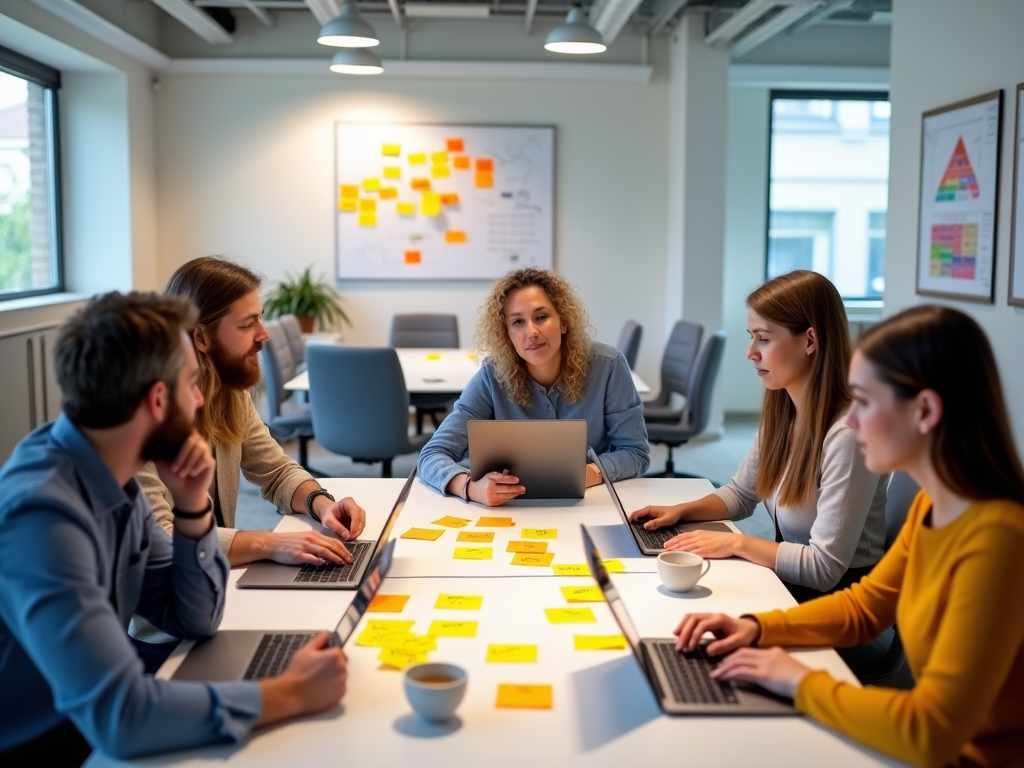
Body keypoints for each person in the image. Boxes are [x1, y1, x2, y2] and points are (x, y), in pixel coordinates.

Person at [0, 292, 347, 765]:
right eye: (191, 383)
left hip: (88, 727)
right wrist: (287, 694)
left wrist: (191, 509)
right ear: (158, 400)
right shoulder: (43, 516)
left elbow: (191, 618)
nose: (203, 398)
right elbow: (121, 717)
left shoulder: (113, 475)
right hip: (47, 745)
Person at [673, 305, 1024, 768]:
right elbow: (864, 608)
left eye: (864, 401)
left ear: (924, 411)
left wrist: (799, 681)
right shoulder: (932, 508)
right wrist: (757, 628)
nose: (852, 420)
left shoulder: (997, 539)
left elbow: (931, 732)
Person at [630, 271, 888, 600]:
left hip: (839, 599)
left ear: (810, 341)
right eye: (751, 336)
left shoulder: (848, 436)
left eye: (763, 339)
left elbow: (824, 568)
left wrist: (737, 543)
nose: (750, 352)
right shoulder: (785, 412)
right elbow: (741, 494)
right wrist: (681, 511)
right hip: (792, 578)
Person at [137, 257, 366, 568]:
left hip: (217, 583)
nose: (263, 334)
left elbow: (276, 471)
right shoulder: (138, 417)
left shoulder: (228, 392)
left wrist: (321, 503)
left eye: (260, 319)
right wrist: (269, 543)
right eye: (247, 324)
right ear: (201, 337)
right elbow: (159, 539)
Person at [417, 267, 649, 505]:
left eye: (541, 317)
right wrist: (470, 487)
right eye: (518, 322)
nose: (532, 332)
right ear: (507, 334)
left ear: (564, 322)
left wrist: (588, 474)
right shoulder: (492, 375)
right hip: (512, 510)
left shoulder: (608, 367)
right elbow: (431, 455)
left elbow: (635, 453)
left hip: (591, 504)